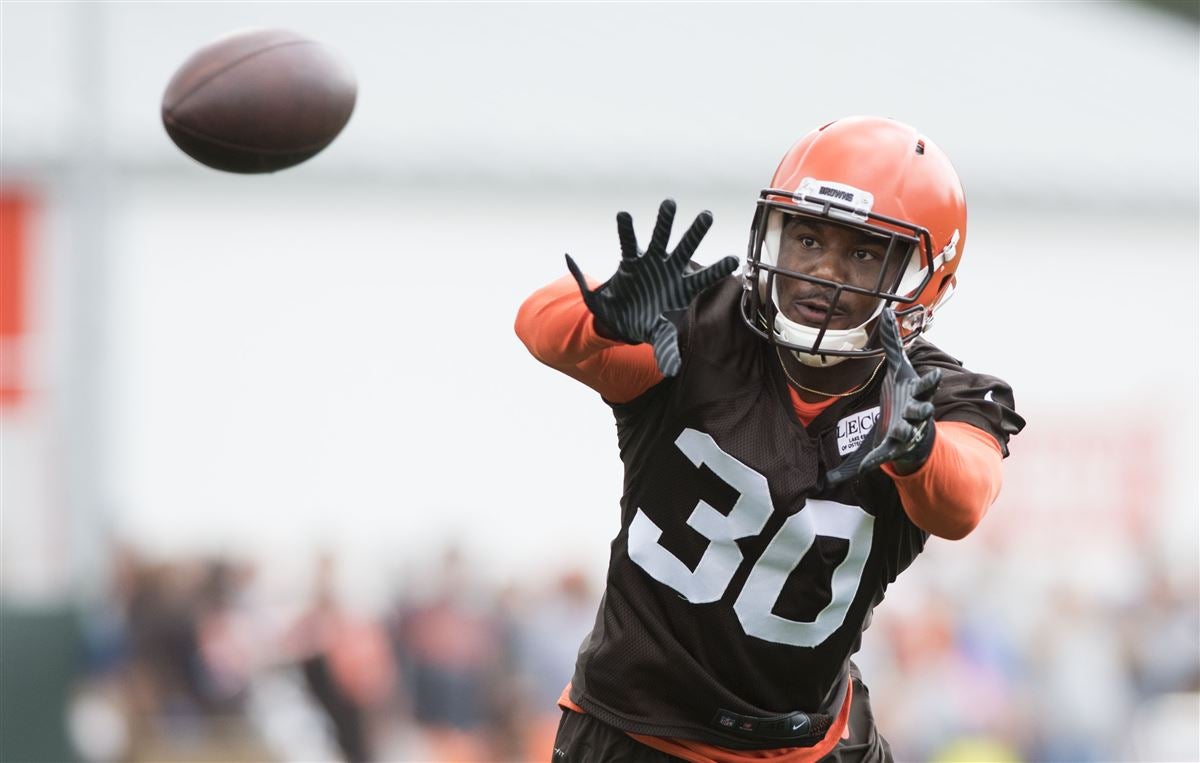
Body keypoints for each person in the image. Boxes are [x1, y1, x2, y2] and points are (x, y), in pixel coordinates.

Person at [515, 116, 1025, 763]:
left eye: (864, 251)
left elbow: (964, 501)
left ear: (926, 277)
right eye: (807, 236)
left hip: (808, 744)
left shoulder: (926, 395)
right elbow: (538, 324)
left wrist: (918, 451)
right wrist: (602, 316)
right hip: (637, 734)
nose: (823, 270)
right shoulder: (706, 325)